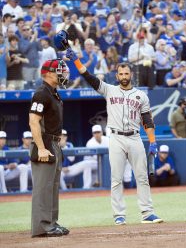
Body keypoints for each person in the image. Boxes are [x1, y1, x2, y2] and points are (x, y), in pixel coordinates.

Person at [66, 47, 163, 225]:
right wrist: (76, 61)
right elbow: (89, 77)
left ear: (131, 75)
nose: (124, 76)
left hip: (134, 137)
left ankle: (147, 213)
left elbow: (147, 121)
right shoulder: (109, 89)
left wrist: (153, 142)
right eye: (121, 73)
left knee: (142, 177)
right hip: (116, 138)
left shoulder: (141, 96)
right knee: (116, 178)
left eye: (126, 73)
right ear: (116, 75)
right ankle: (119, 215)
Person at [29, 59, 70, 237]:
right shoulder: (41, 93)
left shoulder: (53, 93)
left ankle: (51, 223)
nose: (63, 74)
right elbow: (33, 121)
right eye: (59, 71)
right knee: (43, 187)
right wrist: (41, 147)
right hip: (44, 142)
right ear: (48, 73)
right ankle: (42, 227)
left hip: (54, 142)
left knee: (52, 187)